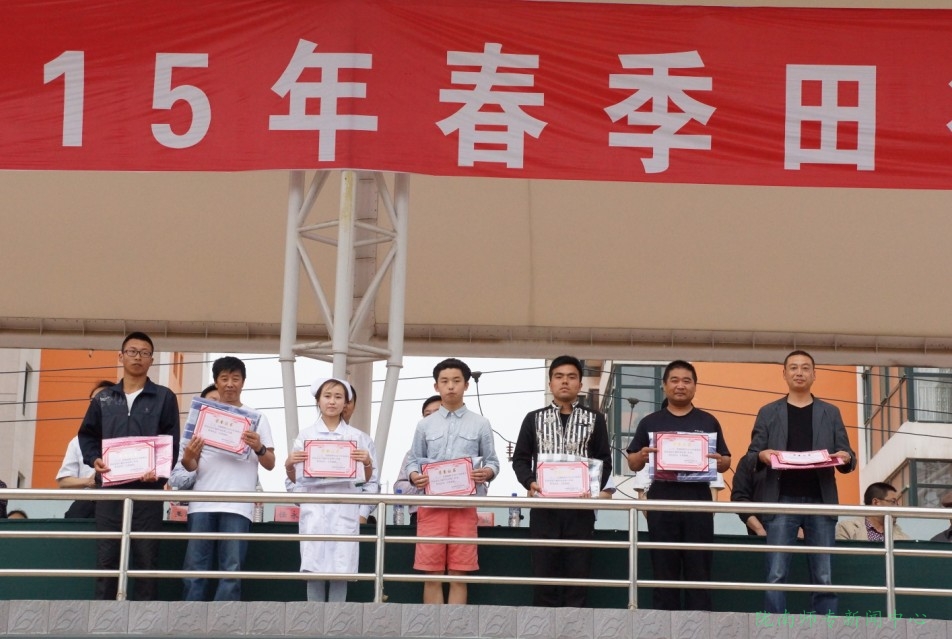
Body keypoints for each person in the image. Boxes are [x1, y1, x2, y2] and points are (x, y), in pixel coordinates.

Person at [747, 349, 856, 615]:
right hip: (781, 500)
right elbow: (752, 455)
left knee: (824, 574)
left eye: (805, 368)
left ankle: (826, 624)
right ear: (784, 374)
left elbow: (847, 455)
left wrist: (845, 457)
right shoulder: (768, 412)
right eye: (794, 367)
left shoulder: (830, 412)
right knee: (776, 572)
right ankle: (774, 625)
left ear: (814, 374)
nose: (799, 372)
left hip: (821, 501)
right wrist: (762, 455)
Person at [77, 331, 180, 601]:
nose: (138, 357)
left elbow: (171, 443)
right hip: (110, 493)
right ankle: (103, 618)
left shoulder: (164, 397)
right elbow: (87, 436)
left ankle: (145, 619)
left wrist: (158, 473)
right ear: (120, 356)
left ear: (152, 360)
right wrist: (94, 459)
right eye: (132, 351)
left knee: (146, 560)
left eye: (144, 353)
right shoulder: (103, 399)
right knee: (106, 559)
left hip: (147, 494)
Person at [626, 360, 731, 611]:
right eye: (674, 380)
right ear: (664, 386)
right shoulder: (650, 422)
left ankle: (699, 622)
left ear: (695, 386)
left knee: (699, 567)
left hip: (698, 500)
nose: (680, 386)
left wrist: (721, 461)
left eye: (686, 381)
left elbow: (726, 462)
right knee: (663, 567)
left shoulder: (708, 421)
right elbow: (632, 463)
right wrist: (641, 456)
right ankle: (664, 623)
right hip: (662, 499)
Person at [511, 355, 612, 607]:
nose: (565, 382)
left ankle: (574, 624)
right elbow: (520, 459)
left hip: (580, 509)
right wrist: (530, 482)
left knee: (578, 574)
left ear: (580, 384)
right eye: (559, 376)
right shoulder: (533, 418)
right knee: (544, 574)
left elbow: (604, 460)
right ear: (550, 383)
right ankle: (543, 625)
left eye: (571, 377)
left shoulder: (595, 418)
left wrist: (592, 488)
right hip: (544, 509)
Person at [178, 356, 275, 601]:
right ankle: (190, 617)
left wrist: (259, 447)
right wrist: (189, 457)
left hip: (238, 505)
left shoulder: (257, 418)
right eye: (224, 378)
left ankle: (225, 620)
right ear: (216, 382)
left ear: (243, 382)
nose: (230, 384)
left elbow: (270, 463)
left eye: (235, 378)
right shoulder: (200, 417)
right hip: (202, 503)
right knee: (194, 568)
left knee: (231, 569)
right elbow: (189, 466)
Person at [405, 358, 500, 605]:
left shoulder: (481, 423)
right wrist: (414, 476)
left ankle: (455, 626)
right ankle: (432, 626)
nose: (450, 386)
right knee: (432, 575)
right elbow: (412, 461)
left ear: (466, 385)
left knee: (459, 574)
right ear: (436, 386)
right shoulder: (424, 425)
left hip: (464, 508)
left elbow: (493, 462)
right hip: (431, 507)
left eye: (456, 381)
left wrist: (486, 473)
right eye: (444, 381)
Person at [285, 377, 377, 602]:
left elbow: (367, 481)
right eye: (327, 396)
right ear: (318, 400)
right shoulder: (306, 436)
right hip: (315, 510)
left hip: (344, 510)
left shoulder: (357, 437)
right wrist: (289, 465)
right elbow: (295, 481)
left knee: (340, 571)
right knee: (313, 571)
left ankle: (338, 619)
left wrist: (367, 462)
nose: (332, 402)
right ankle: (314, 619)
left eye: (338, 397)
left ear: (346, 403)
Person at [57, 380, 113, 518]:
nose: (96, 404)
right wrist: (89, 481)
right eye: (92, 401)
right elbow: (63, 481)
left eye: (102, 399)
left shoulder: (128, 435)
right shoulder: (78, 441)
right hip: (89, 500)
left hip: (117, 500)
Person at [393, 395, 442, 526]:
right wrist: (419, 485)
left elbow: (480, 487)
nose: (432, 419)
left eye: (438, 413)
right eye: (427, 415)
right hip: (421, 516)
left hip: (458, 513)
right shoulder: (412, 453)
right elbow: (398, 489)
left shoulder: (462, 449)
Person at [835, 482, 909, 542]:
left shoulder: (903, 539)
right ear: (876, 502)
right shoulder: (847, 529)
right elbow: (842, 555)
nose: (897, 507)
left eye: (897, 503)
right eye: (893, 502)